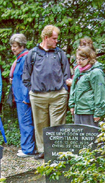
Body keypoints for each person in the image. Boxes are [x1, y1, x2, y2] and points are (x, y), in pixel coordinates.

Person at [22, 25, 71, 159]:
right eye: (54, 39)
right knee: (40, 125)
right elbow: (26, 75)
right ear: (46, 38)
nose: (56, 41)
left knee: (57, 126)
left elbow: (67, 74)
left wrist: (64, 90)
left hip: (57, 95)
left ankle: (56, 152)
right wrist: (32, 89)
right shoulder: (33, 53)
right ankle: (43, 151)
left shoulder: (60, 53)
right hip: (38, 95)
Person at [9, 33, 36, 158]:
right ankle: (26, 146)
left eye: (15, 46)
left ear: (22, 46)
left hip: (23, 97)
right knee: (23, 122)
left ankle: (28, 148)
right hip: (19, 96)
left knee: (26, 122)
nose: (13, 49)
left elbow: (27, 79)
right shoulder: (20, 58)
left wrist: (26, 97)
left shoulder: (25, 58)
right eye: (12, 46)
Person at [69, 47, 105, 126]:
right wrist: (72, 105)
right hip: (78, 110)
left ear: (89, 58)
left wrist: (98, 112)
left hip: (89, 111)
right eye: (77, 59)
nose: (79, 62)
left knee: (91, 136)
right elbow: (73, 88)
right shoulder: (78, 70)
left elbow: (100, 93)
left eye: (82, 59)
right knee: (79, 136)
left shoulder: (96, 72)